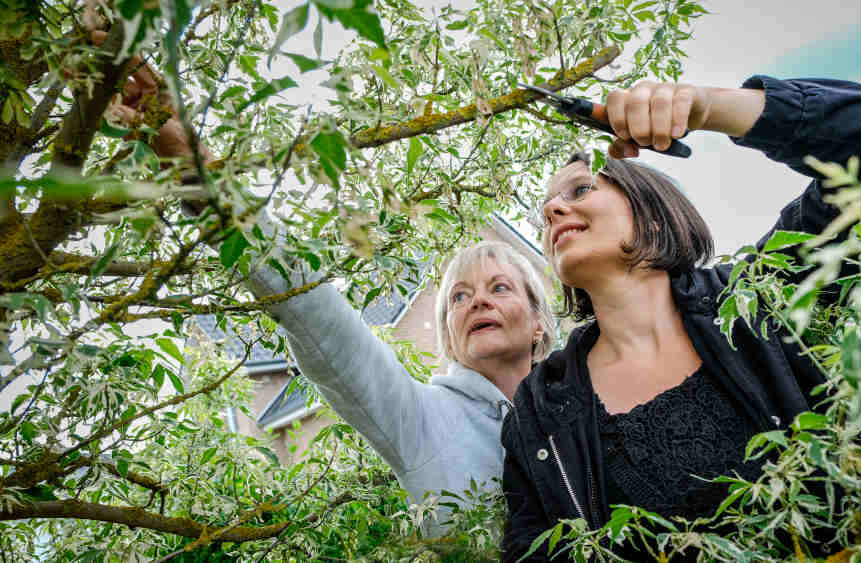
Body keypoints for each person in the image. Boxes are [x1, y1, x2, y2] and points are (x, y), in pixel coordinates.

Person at [501, 76, 861, 561]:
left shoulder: (764, 293)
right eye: (546, 206)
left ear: (652, 211)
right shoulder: (541, 405)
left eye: (580, 190)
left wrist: (706, 107)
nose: (552, 209)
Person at [96, 39, 557, 534]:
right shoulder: (422, 419)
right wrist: (199, 168)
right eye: (459, 297)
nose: (478, 300)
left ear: (539, 323)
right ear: (448, 335)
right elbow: (319, 317)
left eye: (500, 288)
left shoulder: (585, 411)